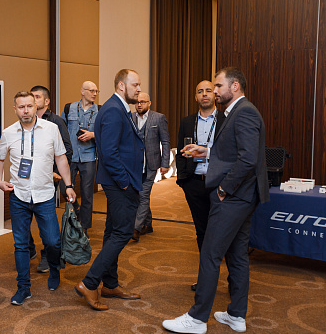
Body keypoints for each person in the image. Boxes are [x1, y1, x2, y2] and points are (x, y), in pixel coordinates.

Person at [163, 67, 269, 334]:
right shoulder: (237, 112)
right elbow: (234, 152)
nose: (215, 90)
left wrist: (223, 188)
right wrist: (207, 151)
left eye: (219, 86)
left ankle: (197, 319)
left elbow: (248, 159)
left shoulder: (243, 112)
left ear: (235, 86)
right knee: (237, 255)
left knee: (210, 254)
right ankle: (236, 315)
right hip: (242, 197)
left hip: (234, 197)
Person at [0, 91, 76, 306]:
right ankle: (23, 287)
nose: (26, 111)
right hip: (18, 196)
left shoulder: (51, 129)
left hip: (45, 194)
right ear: (15, 109)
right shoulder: (8, 133)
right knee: (21, 245)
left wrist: (68, 185)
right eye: (21, 107)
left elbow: (61, 158)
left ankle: (55, 268)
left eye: (29, 106)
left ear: (36, 106)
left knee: (52, 242)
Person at [74, 69, 144, 311]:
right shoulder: (114, 110)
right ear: (121, 86)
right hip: (120, 184)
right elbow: (109, 152)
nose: (139, 89)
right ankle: (89, 283)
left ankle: (110, 284)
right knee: (123, 233)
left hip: (118, 182)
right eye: (135, 85)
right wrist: (124, 182)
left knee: (113, 232)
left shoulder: (117, 107)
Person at [175, 80, 225, 291]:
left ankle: (233, 280)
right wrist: (184, 182)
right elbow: (180, 152)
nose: (204, 94)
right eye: (200, 91)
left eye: (208, 91)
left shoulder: (226, 120)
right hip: (194, 184)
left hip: (220, 186)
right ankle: (206, 279)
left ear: (215, 95)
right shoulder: (187, 121)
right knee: (202, 232)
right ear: (195, 97)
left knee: (224, 233)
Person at [28, 85, 73, 273]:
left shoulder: (56, 122)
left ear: (46, 101)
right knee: (24, 217)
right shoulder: (26, 119)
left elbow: (66, 150)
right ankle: (29, 248)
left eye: (37, 97)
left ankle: (49, 253)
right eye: (31, 96)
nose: (33, 100)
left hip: (49, 178)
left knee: (45, 220)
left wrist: (55, 172)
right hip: (28, 178)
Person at [61, 81, 100, 236]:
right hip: (70, 156)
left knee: (87, 193)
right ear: (82, 91)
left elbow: (106, 132)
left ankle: (84, 227)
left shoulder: (100, 110)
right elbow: (61, 130)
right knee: (64, 188)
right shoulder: (69, 108)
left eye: (96, 91)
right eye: (91, 90)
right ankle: (76, 209)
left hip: (89, 156)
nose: (94, 94)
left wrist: (93, 135)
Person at [131, 92, 170, 242]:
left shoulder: (158, 118)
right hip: (135, 166)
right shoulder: (130, 117)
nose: (139, 104)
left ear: (149, 103)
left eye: (142, 102)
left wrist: (165, 163)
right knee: (139, 195)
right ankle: (148, 224)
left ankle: (136, 228)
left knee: (143, 195)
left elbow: (165, 141)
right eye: (137, 102)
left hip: (151, 164)